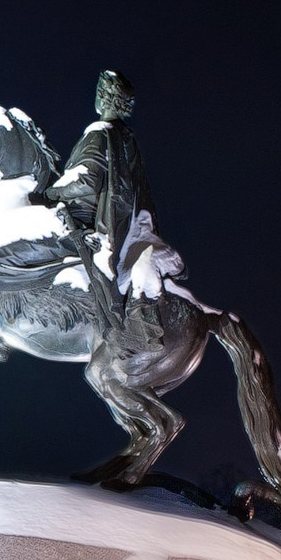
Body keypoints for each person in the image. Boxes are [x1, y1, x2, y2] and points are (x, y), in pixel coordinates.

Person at [44, 71, 183, 352]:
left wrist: (50, 193)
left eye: (99, 92)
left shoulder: (99, 133)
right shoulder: (126, 137)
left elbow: (86, 181)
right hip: (126, 222)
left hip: (96, 222)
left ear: (104, 98)